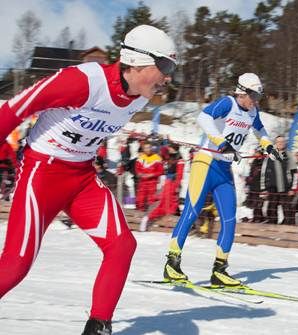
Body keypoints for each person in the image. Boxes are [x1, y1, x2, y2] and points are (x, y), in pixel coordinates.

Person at [0, 24, 176, 334]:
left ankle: (98, 327)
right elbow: (13, 110)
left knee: (122, 246)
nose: (168, 76)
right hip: (42, 174)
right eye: (164, 65)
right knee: (16, 264)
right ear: (135, 62)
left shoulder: (139, 97)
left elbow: (94, 125)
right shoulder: (83, 80)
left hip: (81, 178)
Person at [163, 73, 280, 287]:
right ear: (242, 91)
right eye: (253, 95)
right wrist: (221, 142)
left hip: (224, 169)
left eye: (258, 96)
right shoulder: (228, 103)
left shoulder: (253, 111)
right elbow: (203, 117)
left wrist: (268, 146)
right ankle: (172, 263)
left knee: (229, 219)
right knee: (192, 210)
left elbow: (260, 130)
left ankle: (219, 270)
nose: (256, 100)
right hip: (206, 163)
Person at [141, 143, 185, 231]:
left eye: (170, 148)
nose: (169, 150)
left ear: (174, 149)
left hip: (173, 183)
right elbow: (163, 149)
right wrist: (166, 141)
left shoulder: (179, 159)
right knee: (166, 204)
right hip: (169, 183)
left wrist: (177, 185)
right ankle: (150, 219)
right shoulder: (170, 156)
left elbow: (179, 174)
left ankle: (175, 223)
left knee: (171, 204)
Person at [261, 135, 293, 224]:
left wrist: (291, 188)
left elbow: (292, 173)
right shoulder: (269, 157)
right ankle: (272, 231)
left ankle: (287, 231)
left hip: (285, 188)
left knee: (287, 211)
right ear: (276, 143)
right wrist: (263, 188)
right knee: (272, 211)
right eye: (279, 142)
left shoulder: (289, 156)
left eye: (282, 142)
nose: (281, 144)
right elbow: (263, 173)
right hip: (272, 188)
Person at [135, 142, 164, 211]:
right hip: (142, 182)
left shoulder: (157, 158)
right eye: (145, 148)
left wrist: (151, 174)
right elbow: (137, 169)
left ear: (151, 148)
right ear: (143, 149)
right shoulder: (140, 158)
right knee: (140, 199)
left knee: (150, 200)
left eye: (149, 148)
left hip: (152, 183)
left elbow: (161, 171)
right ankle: (139, 214)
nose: (147, 149)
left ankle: (150, 215)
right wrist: (139, 174)